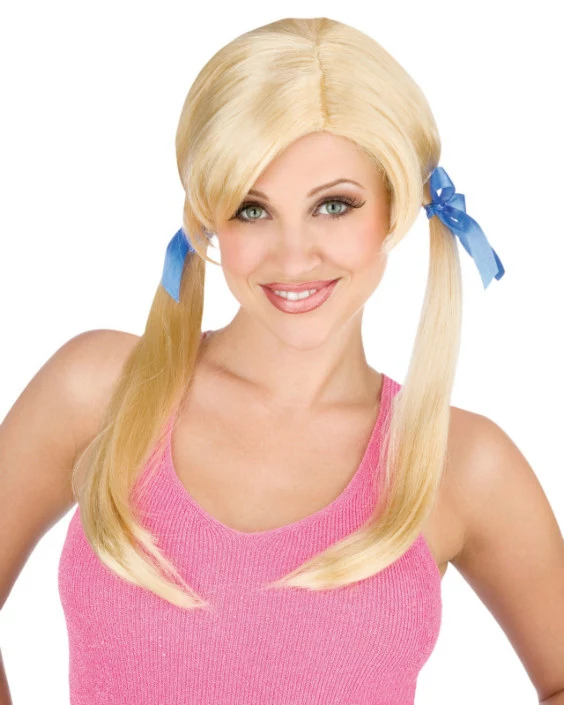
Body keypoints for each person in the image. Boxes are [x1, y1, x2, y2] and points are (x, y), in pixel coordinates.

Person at [2, 15, 563, 705]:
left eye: (334, 205)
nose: (294, 256)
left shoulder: (461, 464)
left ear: (393, 209)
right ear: (209, 218)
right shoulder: (97, 391)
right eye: (251, 208)